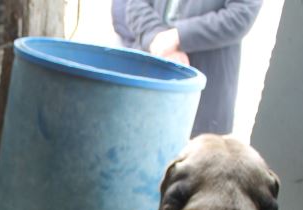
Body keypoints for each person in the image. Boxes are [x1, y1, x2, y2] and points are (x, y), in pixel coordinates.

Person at [112, 0, 263, 136]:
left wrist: (178, 37)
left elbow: (241, 13)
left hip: (204, 93)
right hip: (149, 78)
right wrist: (156, 38)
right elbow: (135, 4)